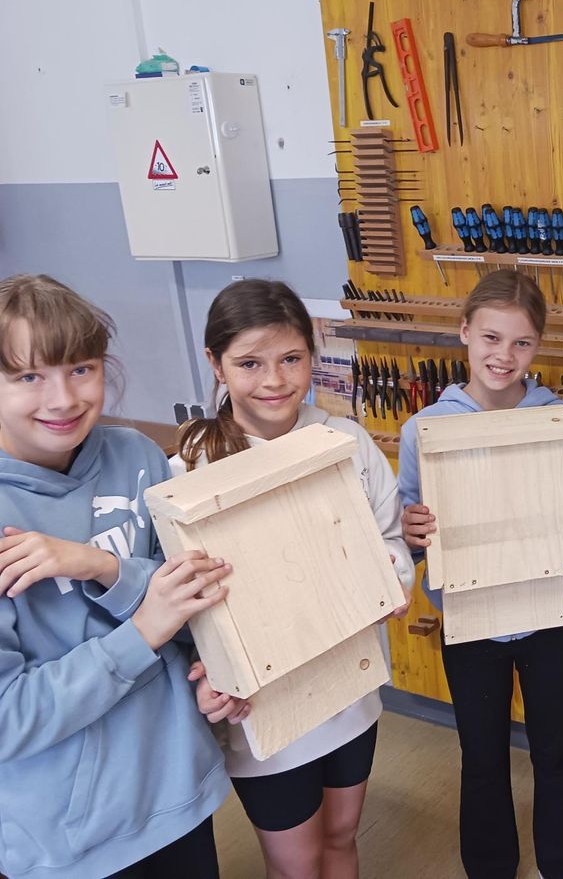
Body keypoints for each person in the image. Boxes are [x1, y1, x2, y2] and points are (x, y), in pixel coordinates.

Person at [178, 278, 414, 879]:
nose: (275, 380)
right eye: (250, 363)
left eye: (291, 359)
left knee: (340, 838)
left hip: (349, 685)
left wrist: (390, 580)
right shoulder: (191, 467)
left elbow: (389, 539)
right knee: (296, 862)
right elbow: (185, 596)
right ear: (216, 363)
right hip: (267, 705)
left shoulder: (346, 442)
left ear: (313, 354)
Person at [0, 274, 231, 879]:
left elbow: (190, 604)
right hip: (71, 842)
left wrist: (209, 668)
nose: (63, 398)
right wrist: (143, 633)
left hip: (179, 795)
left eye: (81, 368)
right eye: (28, 376)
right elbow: (8, 717)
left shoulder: (136, 456)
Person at [398, 270, 563, 879]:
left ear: (537, 345)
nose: (504, 356)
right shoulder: (426, 430)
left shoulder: (559, 420)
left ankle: (562, 865)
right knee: (482, 755)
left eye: (521, 343)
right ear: (464, 332)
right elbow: (411, 530)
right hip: (471, 617)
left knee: (555, 749)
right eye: (490, 338)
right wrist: (414, 534)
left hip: (549, 611)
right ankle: (490, 867)